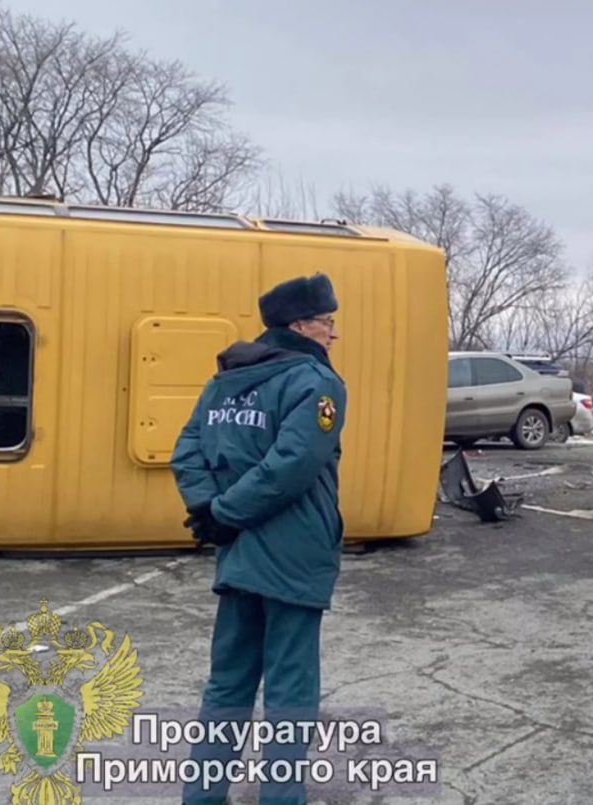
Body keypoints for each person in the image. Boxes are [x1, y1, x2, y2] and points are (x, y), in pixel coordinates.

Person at [171, 273, 348, 805]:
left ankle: (202, 797)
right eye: (326, 322)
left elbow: (186, 451)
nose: (333, 334)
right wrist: (222, 511)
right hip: (293, 559)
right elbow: (292, 464)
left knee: (228, 682)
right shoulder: (316, 382)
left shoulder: (226, 380)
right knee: (291, 692)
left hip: (239, 556)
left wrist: (212, 512)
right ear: (300, 325)